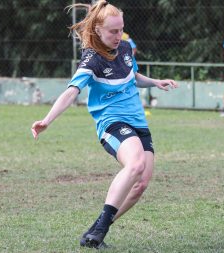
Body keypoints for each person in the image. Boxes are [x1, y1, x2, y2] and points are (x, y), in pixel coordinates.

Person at [31, 0, 178, 249]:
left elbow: (132, 76)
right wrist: (47, 120)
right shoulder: (91, 60)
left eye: (121, 29)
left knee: (141, 183)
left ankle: (96, 230)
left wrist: (155, 82)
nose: (118, 35)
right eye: (113, 31)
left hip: (138, 122)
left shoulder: (125, 48)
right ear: (98, 30)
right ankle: (99, 229)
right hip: (112, 123)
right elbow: (71, 91)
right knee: (136, 164)